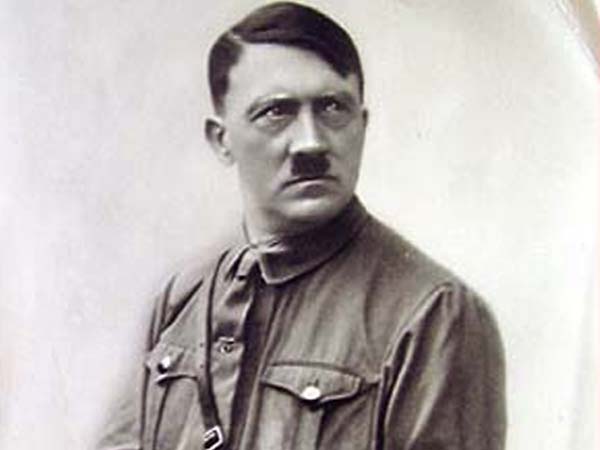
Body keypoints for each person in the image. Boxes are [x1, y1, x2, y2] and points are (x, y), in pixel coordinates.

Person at [97, 2, 506, 449]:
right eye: (276, 112)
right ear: (221, 139)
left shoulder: (432, 314)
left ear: (362, 125)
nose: (310, 143)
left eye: (333, 108)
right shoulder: (183, 299)